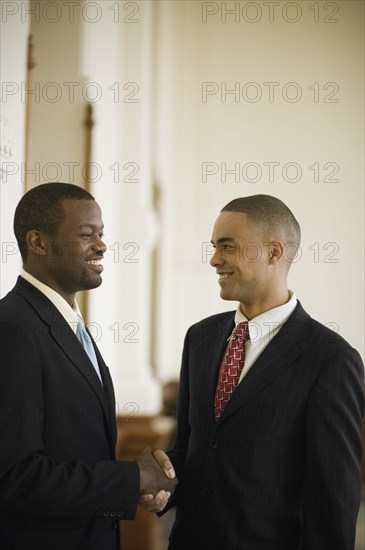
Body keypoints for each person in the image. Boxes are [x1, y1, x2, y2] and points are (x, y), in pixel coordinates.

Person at [141, 195, 365, 550]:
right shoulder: (199, 337)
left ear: (274, 253)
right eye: (214, 247)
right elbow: (189, 447)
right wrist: (162, 486)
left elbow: (333, 498)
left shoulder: (332, 359)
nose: (215, 260)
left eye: (227, 247)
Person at [0, 182, 177, 550]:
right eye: (86, 234)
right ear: (38, 242)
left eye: (101, 233)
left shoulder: (65, 323)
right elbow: (15, 477)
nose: (101, 245)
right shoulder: (12, 327)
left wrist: (137, 486)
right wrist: (130, 479)